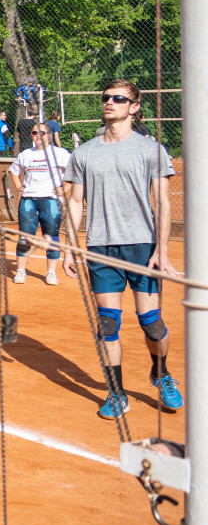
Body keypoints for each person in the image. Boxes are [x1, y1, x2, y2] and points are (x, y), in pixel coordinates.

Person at [61, 79, 181, 418]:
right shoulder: (84, 152)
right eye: (106, 98)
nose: (109, 103)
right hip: (100, 247)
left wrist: (162, 250)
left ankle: (161, 373)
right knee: (108, 325)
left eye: (118, 98)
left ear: (135, 106)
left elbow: (162, 202)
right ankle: (116, 394)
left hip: (142, 246)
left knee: (152, 323)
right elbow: (74, 203)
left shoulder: (150, 150)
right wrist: (70, 247)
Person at [9, 122, 70, 286]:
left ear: (49, 135)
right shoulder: (25, 154)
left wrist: (65, 188)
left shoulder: (60, 154)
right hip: (29, 200)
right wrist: (17, 186)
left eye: (41, 133)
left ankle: (51, 273)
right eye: (34, 133)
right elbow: (14, 172)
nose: (37, 136)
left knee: (52, 238)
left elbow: (75, 174)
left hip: (51, 201)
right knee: (25, 238)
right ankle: (21, 271)